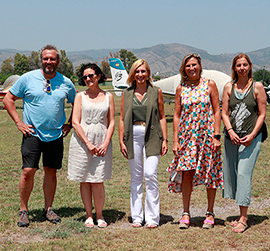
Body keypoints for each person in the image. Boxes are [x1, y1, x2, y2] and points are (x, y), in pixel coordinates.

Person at [3, 44, 76, 227]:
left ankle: (48, 209)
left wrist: (70, 123)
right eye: (46, 59)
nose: (49, 62)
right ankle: (23, 210)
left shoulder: (66, 82)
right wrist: (19, 123)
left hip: (55, 134)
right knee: (28, 171)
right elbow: (8, 99)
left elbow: (78, 103)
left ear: (58, 61)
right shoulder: (27, 78)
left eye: (52, 59)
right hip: (32, 133)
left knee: (51, 172)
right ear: (41, 60)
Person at [167, 53, 223, 229]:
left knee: (210, 172)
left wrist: (216, 135)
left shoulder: (209, 84)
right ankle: (185, 212)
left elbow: (216, 111)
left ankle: (210, 212)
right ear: (184, 68)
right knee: (187, 172)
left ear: (200, 66)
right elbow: (176, 115)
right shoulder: (180, 88)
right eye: (188, 65)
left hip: (207, 136)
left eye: (194, 65)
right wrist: (175, 140)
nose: (191, 68)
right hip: (187, 137)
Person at [119, 59, 168, 229]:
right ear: (133, 74)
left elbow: (162, 116)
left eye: (143, 71)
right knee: (136, 178)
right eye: (137, 72)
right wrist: (121, 140)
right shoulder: (127, 93)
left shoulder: (156, 92)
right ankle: (137, 216)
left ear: (148, 73)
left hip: (153, 136)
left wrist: (165, 140)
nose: (140, 75)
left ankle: (153, 217)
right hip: (132, 137)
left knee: (150, 174)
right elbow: (121, 118)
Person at [222, 53, 266, 233]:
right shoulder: (228, 87)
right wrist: (230, 131)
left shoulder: (257, 87)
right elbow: (224, 112)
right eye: (238, 65)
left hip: (251, 140)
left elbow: (262, 113)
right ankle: (240, 212)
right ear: (234, 68)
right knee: (232, 174)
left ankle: (244, 218)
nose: (242, 68)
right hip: (231, 138)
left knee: (243, 174)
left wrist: (253, 134)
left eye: (244, 65)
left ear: (250, 67)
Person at [67, 63, 115, 228]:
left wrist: (106, 143)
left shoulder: (108, 96)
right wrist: (88, 143)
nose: (88, 79)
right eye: (85, 76)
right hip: (82, 141)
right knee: (85, 179)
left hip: (102, 140)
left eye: (91, 76)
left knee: (98, 180)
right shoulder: (80, 96)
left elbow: (112, 122)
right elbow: (75, 121)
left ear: (99, 76)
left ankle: (100, 216)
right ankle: (88, 215)